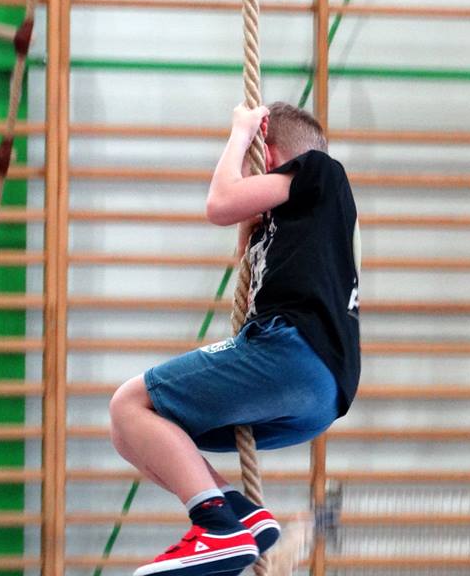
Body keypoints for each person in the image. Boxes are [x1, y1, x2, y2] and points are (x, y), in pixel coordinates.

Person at [109, 101, 361, 576]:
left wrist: (241, 132)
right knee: (138, 433)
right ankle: (242, 517)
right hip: (317, 393)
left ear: (268, 157)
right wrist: (252, 223)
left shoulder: (320, 171)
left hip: (293, 352)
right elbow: (247, 265)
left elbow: (220, 203)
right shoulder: (295, 220)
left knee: (128, 404)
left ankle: (215, 526)